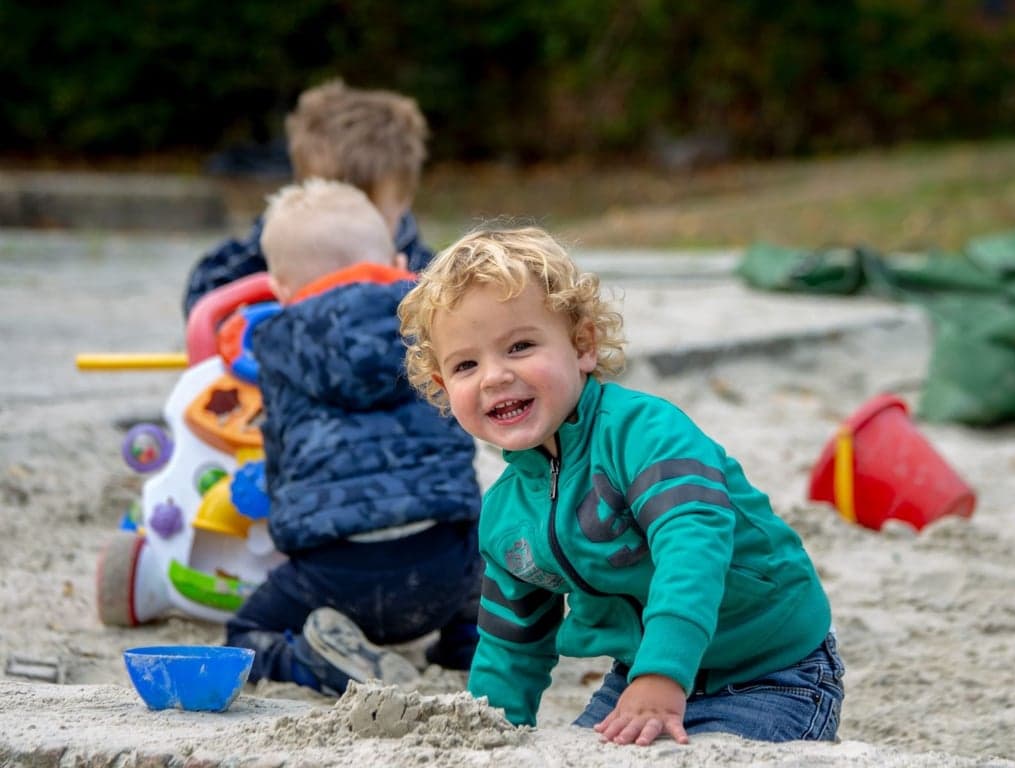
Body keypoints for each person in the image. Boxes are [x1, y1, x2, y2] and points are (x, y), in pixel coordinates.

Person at [397, 226, 845, 745]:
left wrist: (663, 673)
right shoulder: (506, 515)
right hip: (635, 675)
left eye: (520, 346)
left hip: (769, 668)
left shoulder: (643, 433)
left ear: (582, 345)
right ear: (442, 387)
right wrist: (487, 734)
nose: (494, 376)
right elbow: (512, 645)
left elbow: (693, 547)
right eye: (466, 364)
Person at [224, 178, 482, 695]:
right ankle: (467, 640)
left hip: (334, 576)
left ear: (276, 287)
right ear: (395, 255)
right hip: (444, 571)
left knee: (241, 636)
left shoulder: (273, 344)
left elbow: (282, 457)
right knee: (482, 553)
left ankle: (305, 660)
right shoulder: (435, 319)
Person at [182, 78, 433, 319]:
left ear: (404, 200)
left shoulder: (429, 275)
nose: (347, 226)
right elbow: (204, 296)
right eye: (330, 207)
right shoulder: (267, 251)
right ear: (304, 190)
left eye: (369, 210)